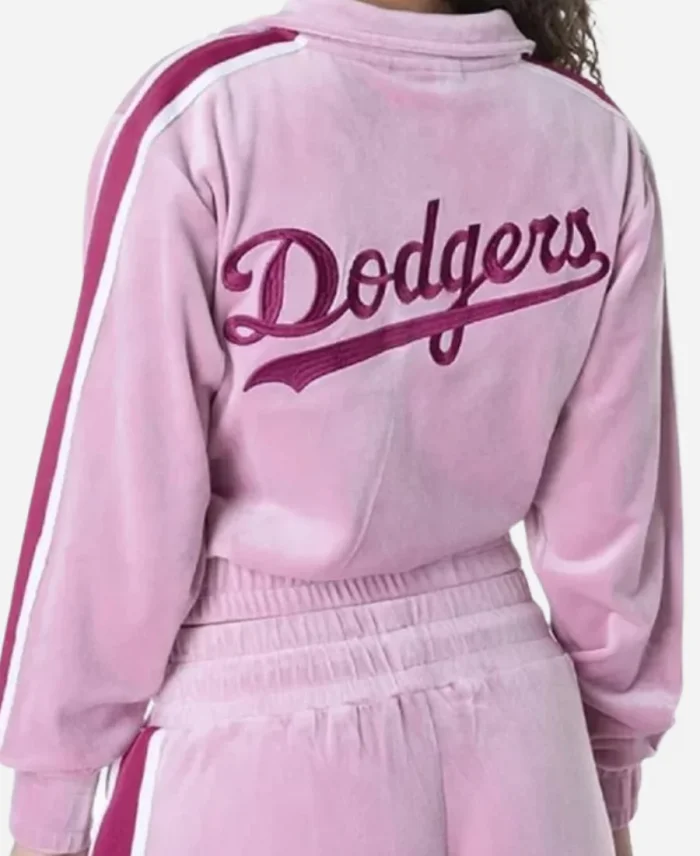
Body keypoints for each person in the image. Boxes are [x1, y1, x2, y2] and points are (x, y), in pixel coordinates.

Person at [0, 0, 683, 854]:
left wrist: (51, 805)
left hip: (255, 745)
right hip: (528, 740)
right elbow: (615, 515)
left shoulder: (207, 115)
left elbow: (118, 498)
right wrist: (607, 787)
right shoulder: (595, 137)